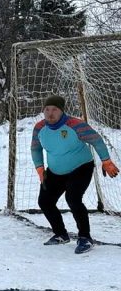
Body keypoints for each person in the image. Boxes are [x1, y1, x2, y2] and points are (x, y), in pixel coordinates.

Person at [31, 94, 118, 254]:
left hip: (81, 167)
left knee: (73, 198)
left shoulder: (75, 125)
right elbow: (35, 148)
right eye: (47, 109)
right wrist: (39, 167)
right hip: (55, 171)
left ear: (61, 111)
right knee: (45, 201)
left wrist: (106, 161)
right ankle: (61, 234)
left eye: (54, 110)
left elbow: (96, 140)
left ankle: (85, 238)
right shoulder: (39, 128)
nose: (50, 113)